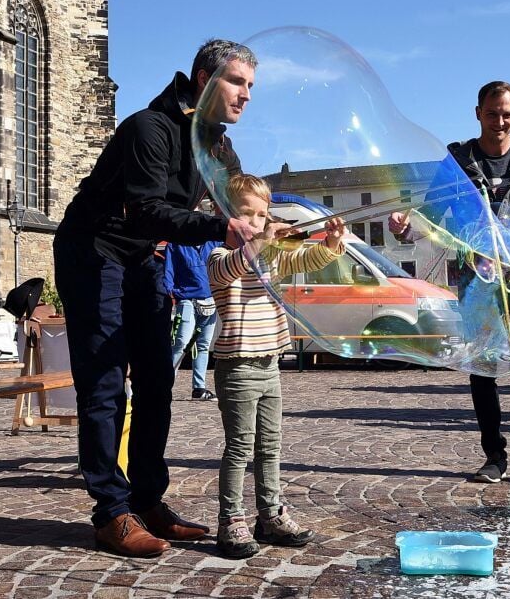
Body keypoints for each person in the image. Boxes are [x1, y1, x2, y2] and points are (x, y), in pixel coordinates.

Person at [53, 39, 259, 557]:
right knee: (104, 384)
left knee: (157, 379)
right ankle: (110, 512)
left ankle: (147, 501)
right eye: (238, 82)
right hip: (93, 248)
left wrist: (298, 231)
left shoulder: (217, 146)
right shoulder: (151, 128)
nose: (246, 96)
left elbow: (247, 205)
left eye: (251, 87)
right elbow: (145, 209)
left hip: (143, 256)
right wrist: (220, 226)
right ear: (204, 78)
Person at [390, 81, 510, 482]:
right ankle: (494, 457)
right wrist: (403, 231)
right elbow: (430, 216)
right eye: (493, 113)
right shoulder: (457, 163)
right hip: (476, 276)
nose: (500, 121)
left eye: (507, 114)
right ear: (477, 113)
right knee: (483, 368)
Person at [206, 174, 345, 558]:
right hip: (237, 367)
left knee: (270, 445)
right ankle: (230, 520)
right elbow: (228, 270)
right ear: (227, 218)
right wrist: (262, 240)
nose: (255, 221)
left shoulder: (272, 256)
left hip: (270, 363)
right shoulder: (220, 256)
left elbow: (307, 257)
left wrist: (331, 242)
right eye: (246, 214)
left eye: (262, 215)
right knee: (239, 448)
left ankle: (269, 515)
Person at [164, 237, 219, 401]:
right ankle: (165, 385)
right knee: (181, 342)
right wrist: (170, 291)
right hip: (186, 300)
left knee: (203, 345)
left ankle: (199, 388)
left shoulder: (213, 243)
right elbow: (168, 270)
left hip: (211, 300)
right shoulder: (175, 245)